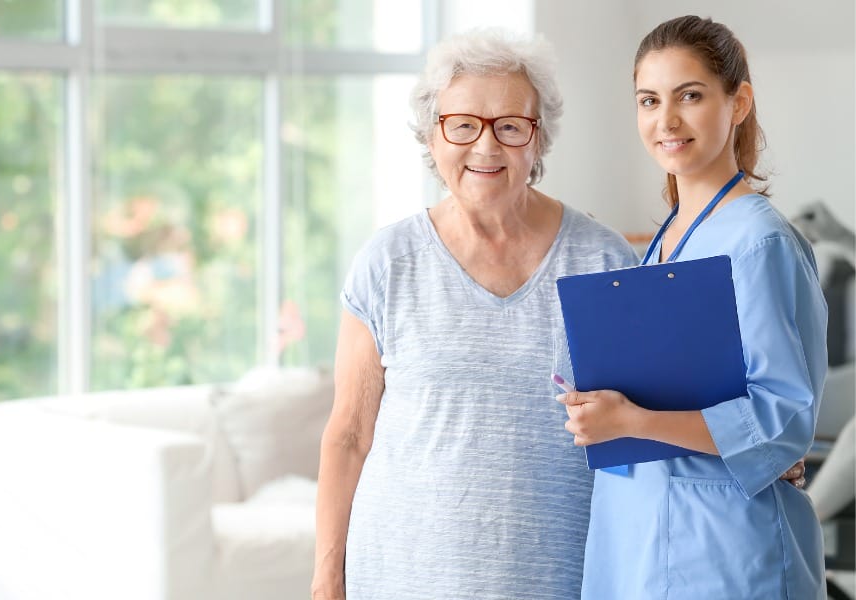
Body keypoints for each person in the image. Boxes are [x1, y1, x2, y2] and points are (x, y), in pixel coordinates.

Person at [311, 28, 640, 599]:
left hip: (559, 579)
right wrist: (326, 579)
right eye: (462, 124)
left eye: (511, 127)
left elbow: (643, 422)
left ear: (538, 140)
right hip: (400, 576)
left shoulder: (604, 258)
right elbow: (349, 435)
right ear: (432, 137)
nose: (486, 148)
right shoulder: (388, 262)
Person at [558, 15, 829, 599]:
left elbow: (781, 421)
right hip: (640, 537)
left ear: (739, 103)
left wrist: (631, 422)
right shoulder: (665, 241)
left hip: (725, 551)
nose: (666, 121)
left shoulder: (759, 242)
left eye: (690, 96)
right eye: (649, 100)